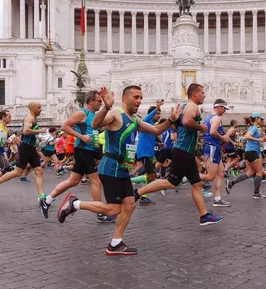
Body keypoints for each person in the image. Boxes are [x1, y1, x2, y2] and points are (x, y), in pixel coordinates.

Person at [56, 85, 180, 255]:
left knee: (129, 205)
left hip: (123, 168)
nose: (139, 100)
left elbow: (156, 129)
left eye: (141, 98)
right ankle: (74, 204)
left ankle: (115, 243)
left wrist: (171, 120)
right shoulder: (115, 113)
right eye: (135, 97)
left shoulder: (135, 120)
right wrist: (106, 106)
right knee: (114, 209)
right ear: (125, 98)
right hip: (111, 167)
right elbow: (95, 123)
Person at [132, 83, 224, 226]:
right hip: (183, 151)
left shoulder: (185, 108)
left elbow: (176, 126)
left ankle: (204, 215)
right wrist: (201, 127)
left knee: (196, 184)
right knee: (170, 182)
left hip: (185, 150)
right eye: (202, 92)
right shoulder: (192, 106)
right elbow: (187, 122)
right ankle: (137, 193)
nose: (204, 95)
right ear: (195, 94)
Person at [39, 91, 114, 223]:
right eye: (99, 101)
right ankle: (100, 213)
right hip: (83, 150)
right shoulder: (82, 113)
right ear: (91, 101)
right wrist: (81, 137)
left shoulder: (94, 115)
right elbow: (65, 126)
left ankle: (47, 200)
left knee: (72, 181)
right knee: (96, 181)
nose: (100, 104)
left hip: (89, 151)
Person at [0, 102, 47, 200]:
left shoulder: (32, 119)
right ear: (32, 108)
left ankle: (41, 195)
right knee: (17, 172)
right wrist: (40, 131)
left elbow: (22, 131)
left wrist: (20, 136)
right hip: (26, 147)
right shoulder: (30, 118)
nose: (41, 109)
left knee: (39, 170)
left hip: (31, 147)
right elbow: (26, 131)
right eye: (38, 107)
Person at [199, 99, 235, 206]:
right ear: (219, 107)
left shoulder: (207, 118)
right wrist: (223, 138)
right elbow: (212, 131)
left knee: (221, 172)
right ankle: (186, 176)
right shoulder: (216, 118)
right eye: (224, 108)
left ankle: (218, 199)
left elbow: (203, 132)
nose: (225, 111)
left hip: (212, 147)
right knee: (210, 176)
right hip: (212, 147)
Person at [226, 113, 266, 199]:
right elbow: (247, 137)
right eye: (260, 118)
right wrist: (259, 139)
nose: (261, 120)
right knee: (259, 172)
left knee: (250, 173)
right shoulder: (254, 128)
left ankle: (231, 183)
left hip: (249, 151)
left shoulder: (251, 127)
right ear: (257, 118)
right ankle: (256, 193)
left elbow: (246, 137)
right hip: (252, 151)